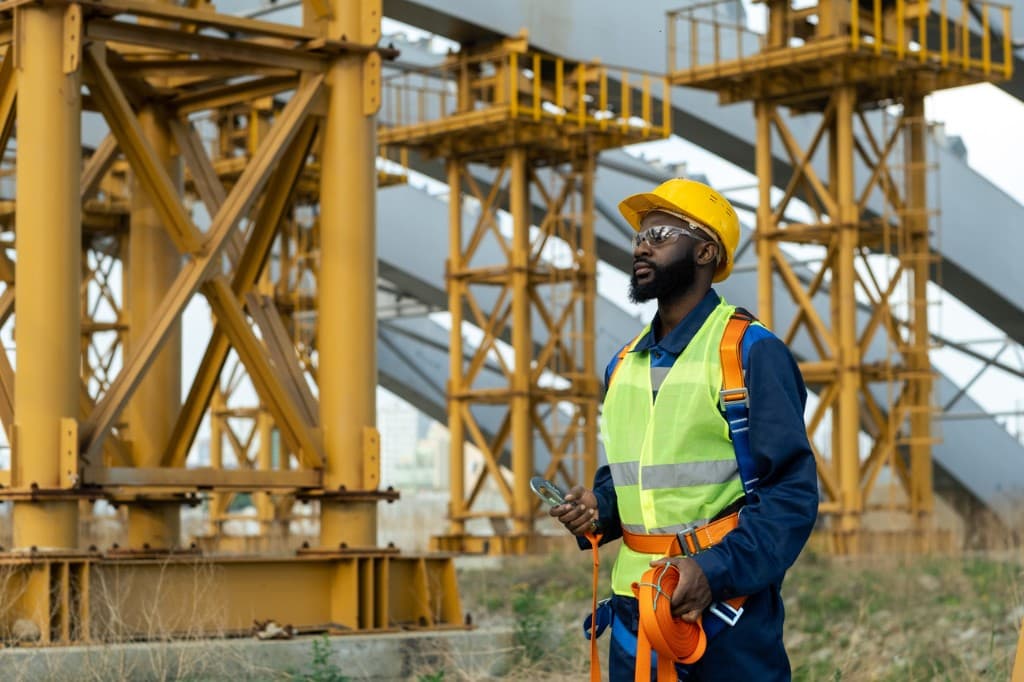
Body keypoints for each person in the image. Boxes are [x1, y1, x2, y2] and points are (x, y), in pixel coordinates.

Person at [551, 178, 819, 681]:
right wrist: (600, 509)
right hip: (636, 613)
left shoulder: (749, 353)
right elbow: (635, 476)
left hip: (724, 614)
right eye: (639, 235)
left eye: (660, 233)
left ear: (705, 251)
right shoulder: (623, 365)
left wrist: (715, 573)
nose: (642, 244)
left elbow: (791, 495)